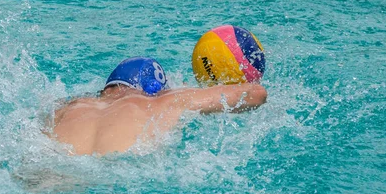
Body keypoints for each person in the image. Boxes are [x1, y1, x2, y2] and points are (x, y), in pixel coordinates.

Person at [50, 57, 267, 156]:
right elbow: (255, 94)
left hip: (49, 171)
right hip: (114, 178)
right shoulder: (166, 101)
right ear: (155, 88)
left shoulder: (69, 106)